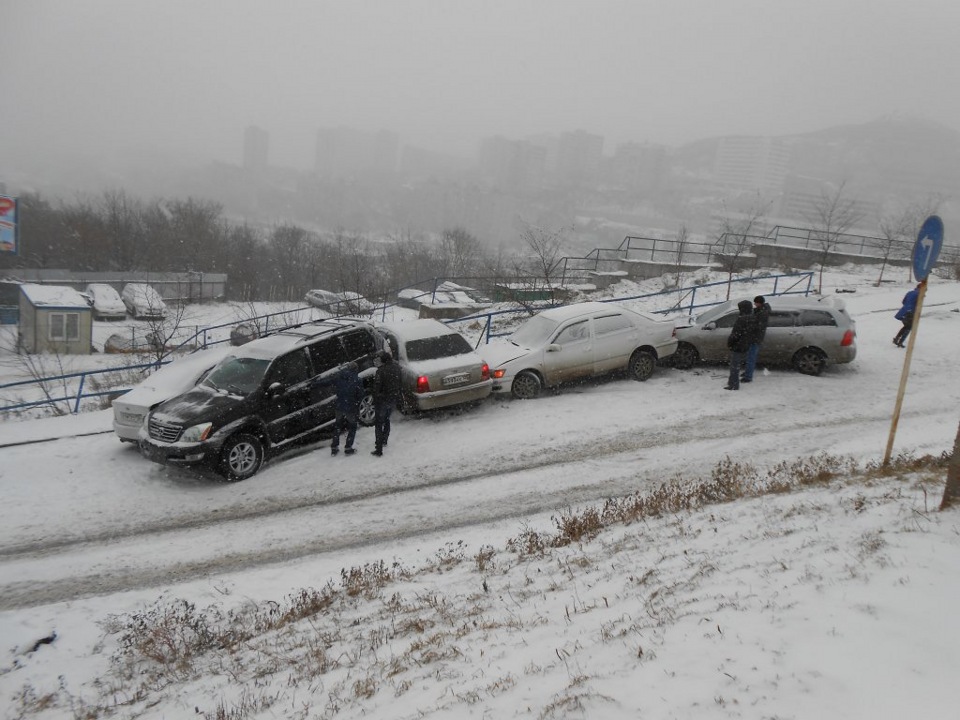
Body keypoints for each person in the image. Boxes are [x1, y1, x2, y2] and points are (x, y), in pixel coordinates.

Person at [370, 350, 402, 456]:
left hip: (383, 400)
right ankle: (384, 440)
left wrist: (375, 398)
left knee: (379, 423)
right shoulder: (397, 368)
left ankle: (378, 448)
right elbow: (400, 382)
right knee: (387, 419)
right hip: (393, 398)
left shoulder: (381, 371)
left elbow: (376, 388)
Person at [328, 361, 363, 456]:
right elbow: (360, 396)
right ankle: (348, 448)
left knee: (338, 426)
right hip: (350, 407)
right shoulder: (357, 380)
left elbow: (327, 382)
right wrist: (356, 405)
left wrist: (314, 385)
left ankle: (334, 447)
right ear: (356, 369)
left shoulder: (340, 377)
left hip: (339, 406)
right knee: (352, 426)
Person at [725, 300, 757, 391]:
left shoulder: (741, 319)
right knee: (737, 365)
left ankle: (733, 385)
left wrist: (730, 343)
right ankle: (732, 382)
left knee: (734, 366)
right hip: (745, 345)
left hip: (738, 345)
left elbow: (735, 334)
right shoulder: (753, 318)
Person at [742, 295, 771, 383]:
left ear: (759, 303)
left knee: (751, 357)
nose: (754, 304)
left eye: (755, 302)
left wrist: (749, 324)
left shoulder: (762, 313)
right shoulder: (761, 311)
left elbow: (757, 326)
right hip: (755, 337)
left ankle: (748, 377)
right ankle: (747, 372)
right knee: (750, 356)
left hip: (755, 338)